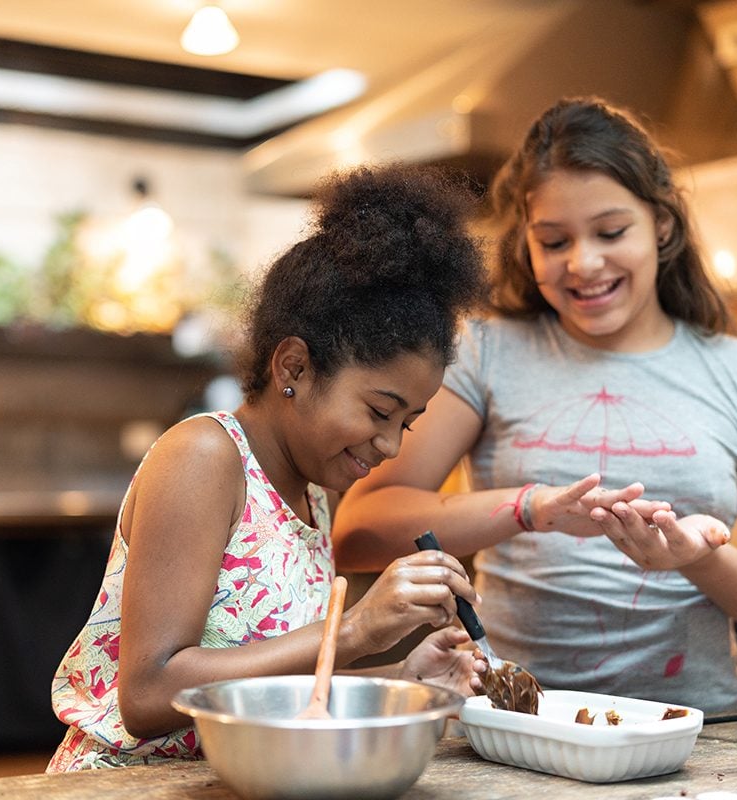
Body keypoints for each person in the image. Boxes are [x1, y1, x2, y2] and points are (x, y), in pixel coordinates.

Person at [332, 96, 737, 713]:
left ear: (662, 225)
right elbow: (359, 530)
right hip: (515, 727)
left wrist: (695, 562)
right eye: (554, 240)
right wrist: (526, 508)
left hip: (693, 735)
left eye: (611, 232)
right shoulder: (484, 353)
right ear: (526, 243)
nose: (583, 263)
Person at [48, 163, 490, 771]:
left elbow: (272, 692)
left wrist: (407, 678)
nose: (391, 446)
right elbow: (149, 694)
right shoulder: (205, 458)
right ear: (293, 368)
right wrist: (356, 631)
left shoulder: (314, 494)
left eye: (407, 422)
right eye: (379, 411)